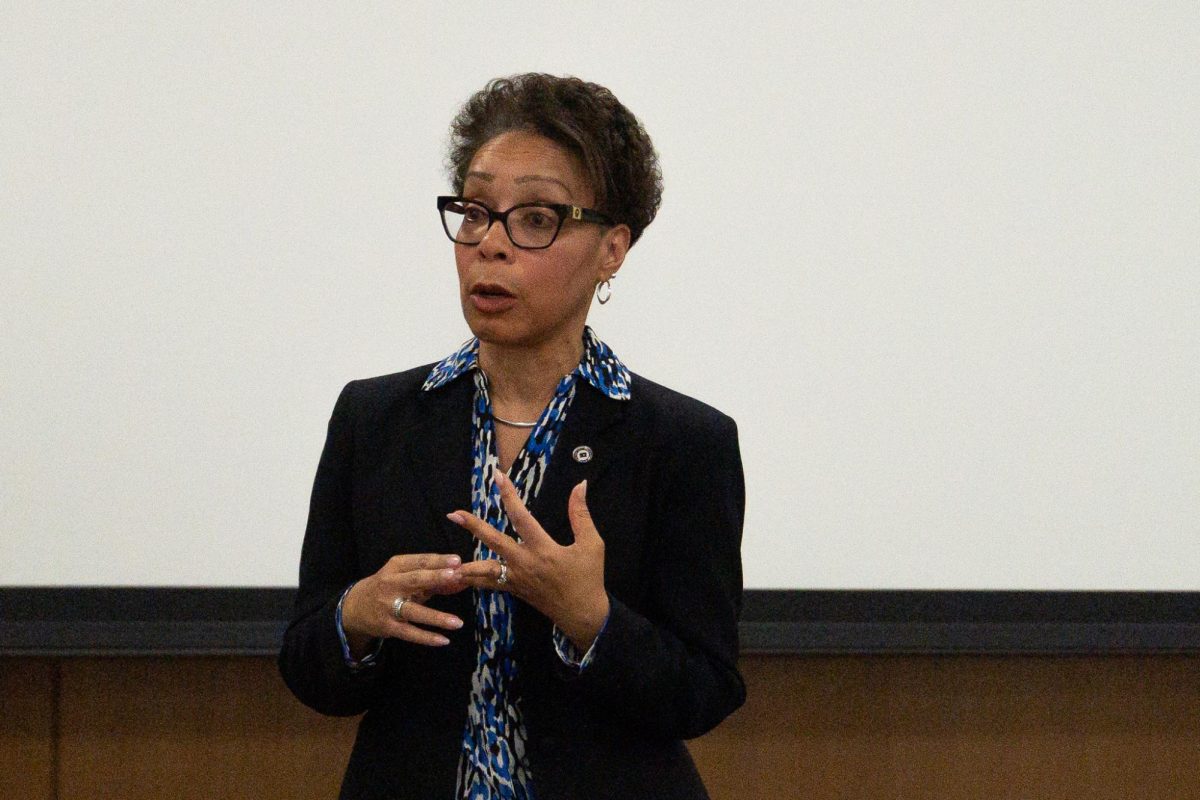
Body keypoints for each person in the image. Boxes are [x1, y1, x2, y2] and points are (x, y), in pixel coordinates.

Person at [279, 73, 746, 800]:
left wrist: (591, 619)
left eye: (535, 219)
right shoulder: (375, 420)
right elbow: (309, 665)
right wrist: (355, 617)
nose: (489, 245)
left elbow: (705, 691)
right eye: (474, 212)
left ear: (612, 248)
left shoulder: (682, 442)